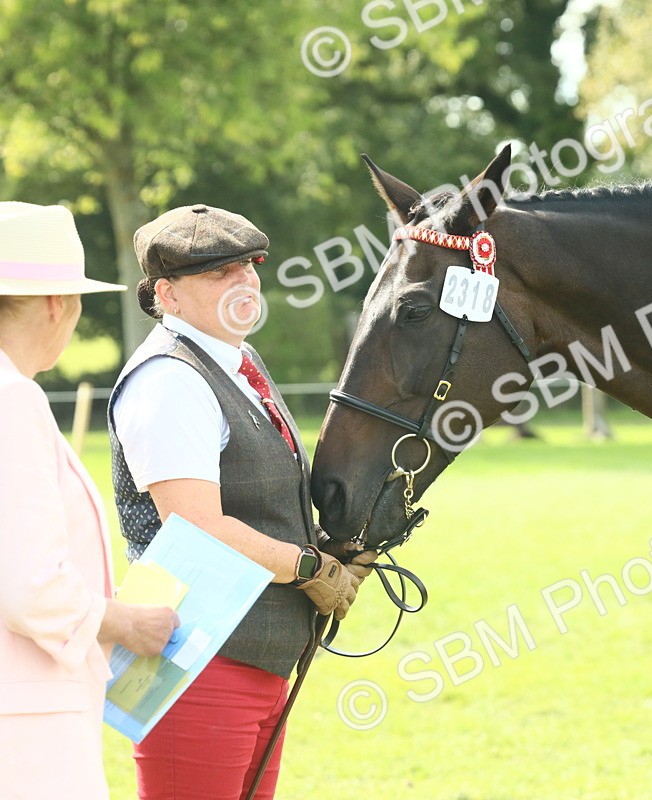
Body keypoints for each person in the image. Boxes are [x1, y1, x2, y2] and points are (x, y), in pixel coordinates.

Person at [108, 204, 373, 799]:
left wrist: (335, 545)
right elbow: (196, 526)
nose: (245, 279)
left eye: (249, 264)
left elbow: (259, 495)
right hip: (193, 659)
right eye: (218, 271)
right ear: (167, 295)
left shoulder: (238, 361)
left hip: (251, 658)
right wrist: (309, 568)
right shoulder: (169, 379)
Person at [0, 202, 179, 799]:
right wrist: (124, 621)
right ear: (58, 303)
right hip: (23, 723)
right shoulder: (11, 400)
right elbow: (27, 583)